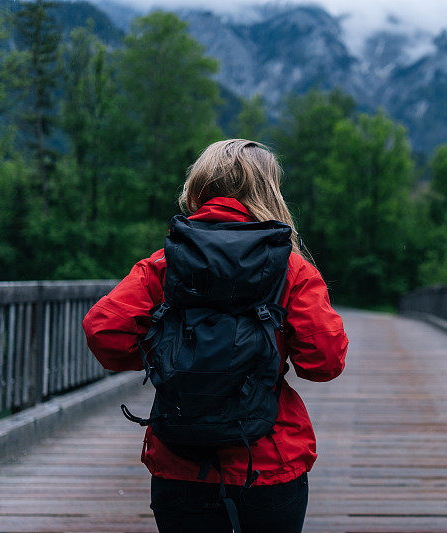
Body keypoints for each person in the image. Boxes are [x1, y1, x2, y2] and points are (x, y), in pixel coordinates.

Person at [82, 139, 349, 532]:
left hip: (179, 462)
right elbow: (324, 362)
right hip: (268, 459)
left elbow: (103, 329)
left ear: (199, 186)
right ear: (268, 191)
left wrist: (170, 354)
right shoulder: (290, 268)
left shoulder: (165, 262)